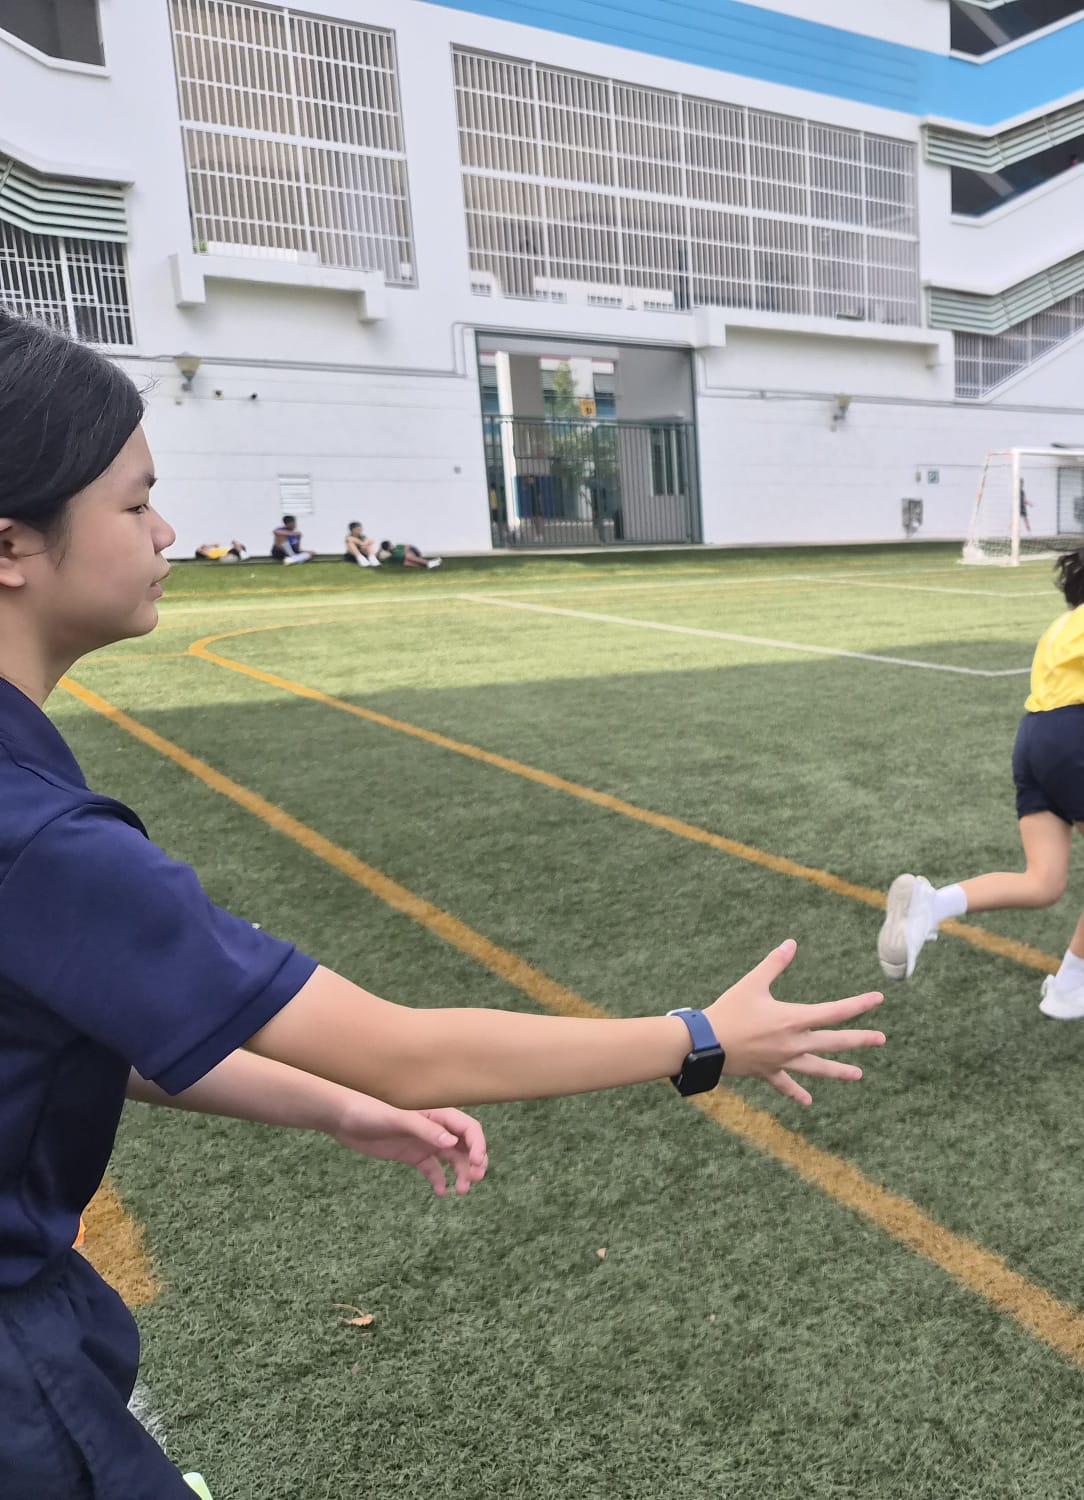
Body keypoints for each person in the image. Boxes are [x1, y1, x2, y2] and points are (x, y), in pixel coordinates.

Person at [0, 311, 888, 1495]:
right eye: (135, 502)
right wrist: (701, 1038)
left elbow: (77, 1031)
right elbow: (402, 1052)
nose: (166, 531)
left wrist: (332, 1108)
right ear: (12, 545)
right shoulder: (44, 840)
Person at [876, 510, 1084, 1021]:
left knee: (1044, 882)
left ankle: (931, 904)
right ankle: (1073, 984)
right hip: (1074, 737)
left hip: (1033, 737)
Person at [376, 536, 442, 570]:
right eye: (388, 547)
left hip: (414, 553)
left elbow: (408, 546)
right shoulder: (392, 557)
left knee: (407, 556)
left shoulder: (398, 546)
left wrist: (405, 553)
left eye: (390, 545)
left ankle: (428, 563)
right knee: (406, 562)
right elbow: (379, 559)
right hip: (409, 559)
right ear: (387, 550)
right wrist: (380, 550)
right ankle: (430, 565)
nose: (391, 547)